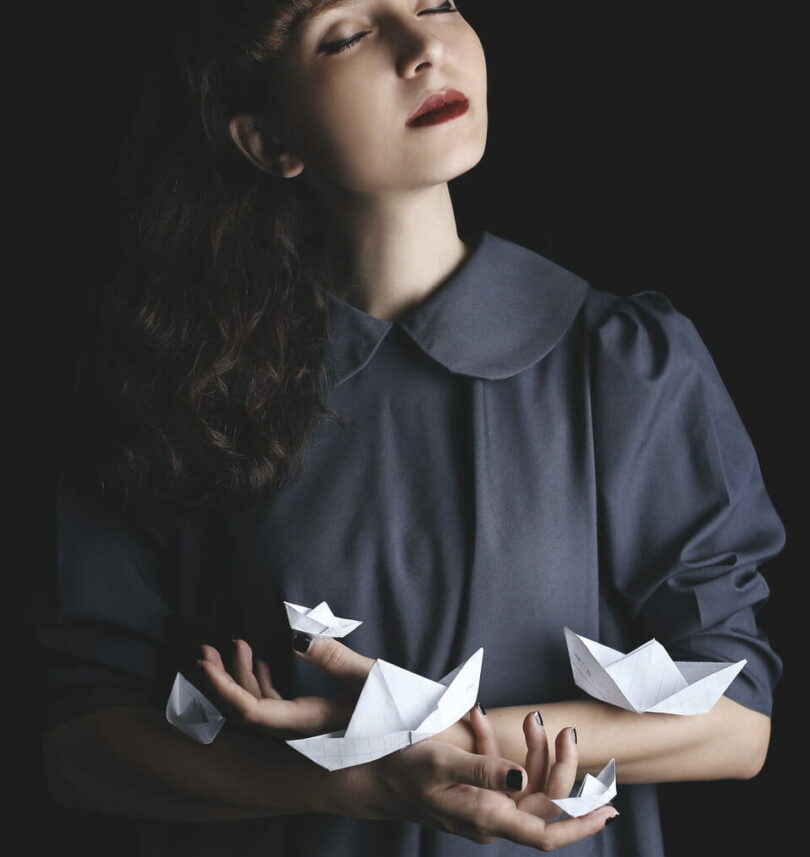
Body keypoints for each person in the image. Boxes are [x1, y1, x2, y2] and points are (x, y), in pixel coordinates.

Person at [35, 1, 785, 855]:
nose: (426, 46)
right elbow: (83, 746)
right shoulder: (173, 384)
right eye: (349, 33)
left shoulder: (624, 363)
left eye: (437, 2)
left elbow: (736, 718)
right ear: (269, 140)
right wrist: (359, 781)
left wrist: (412, 732)